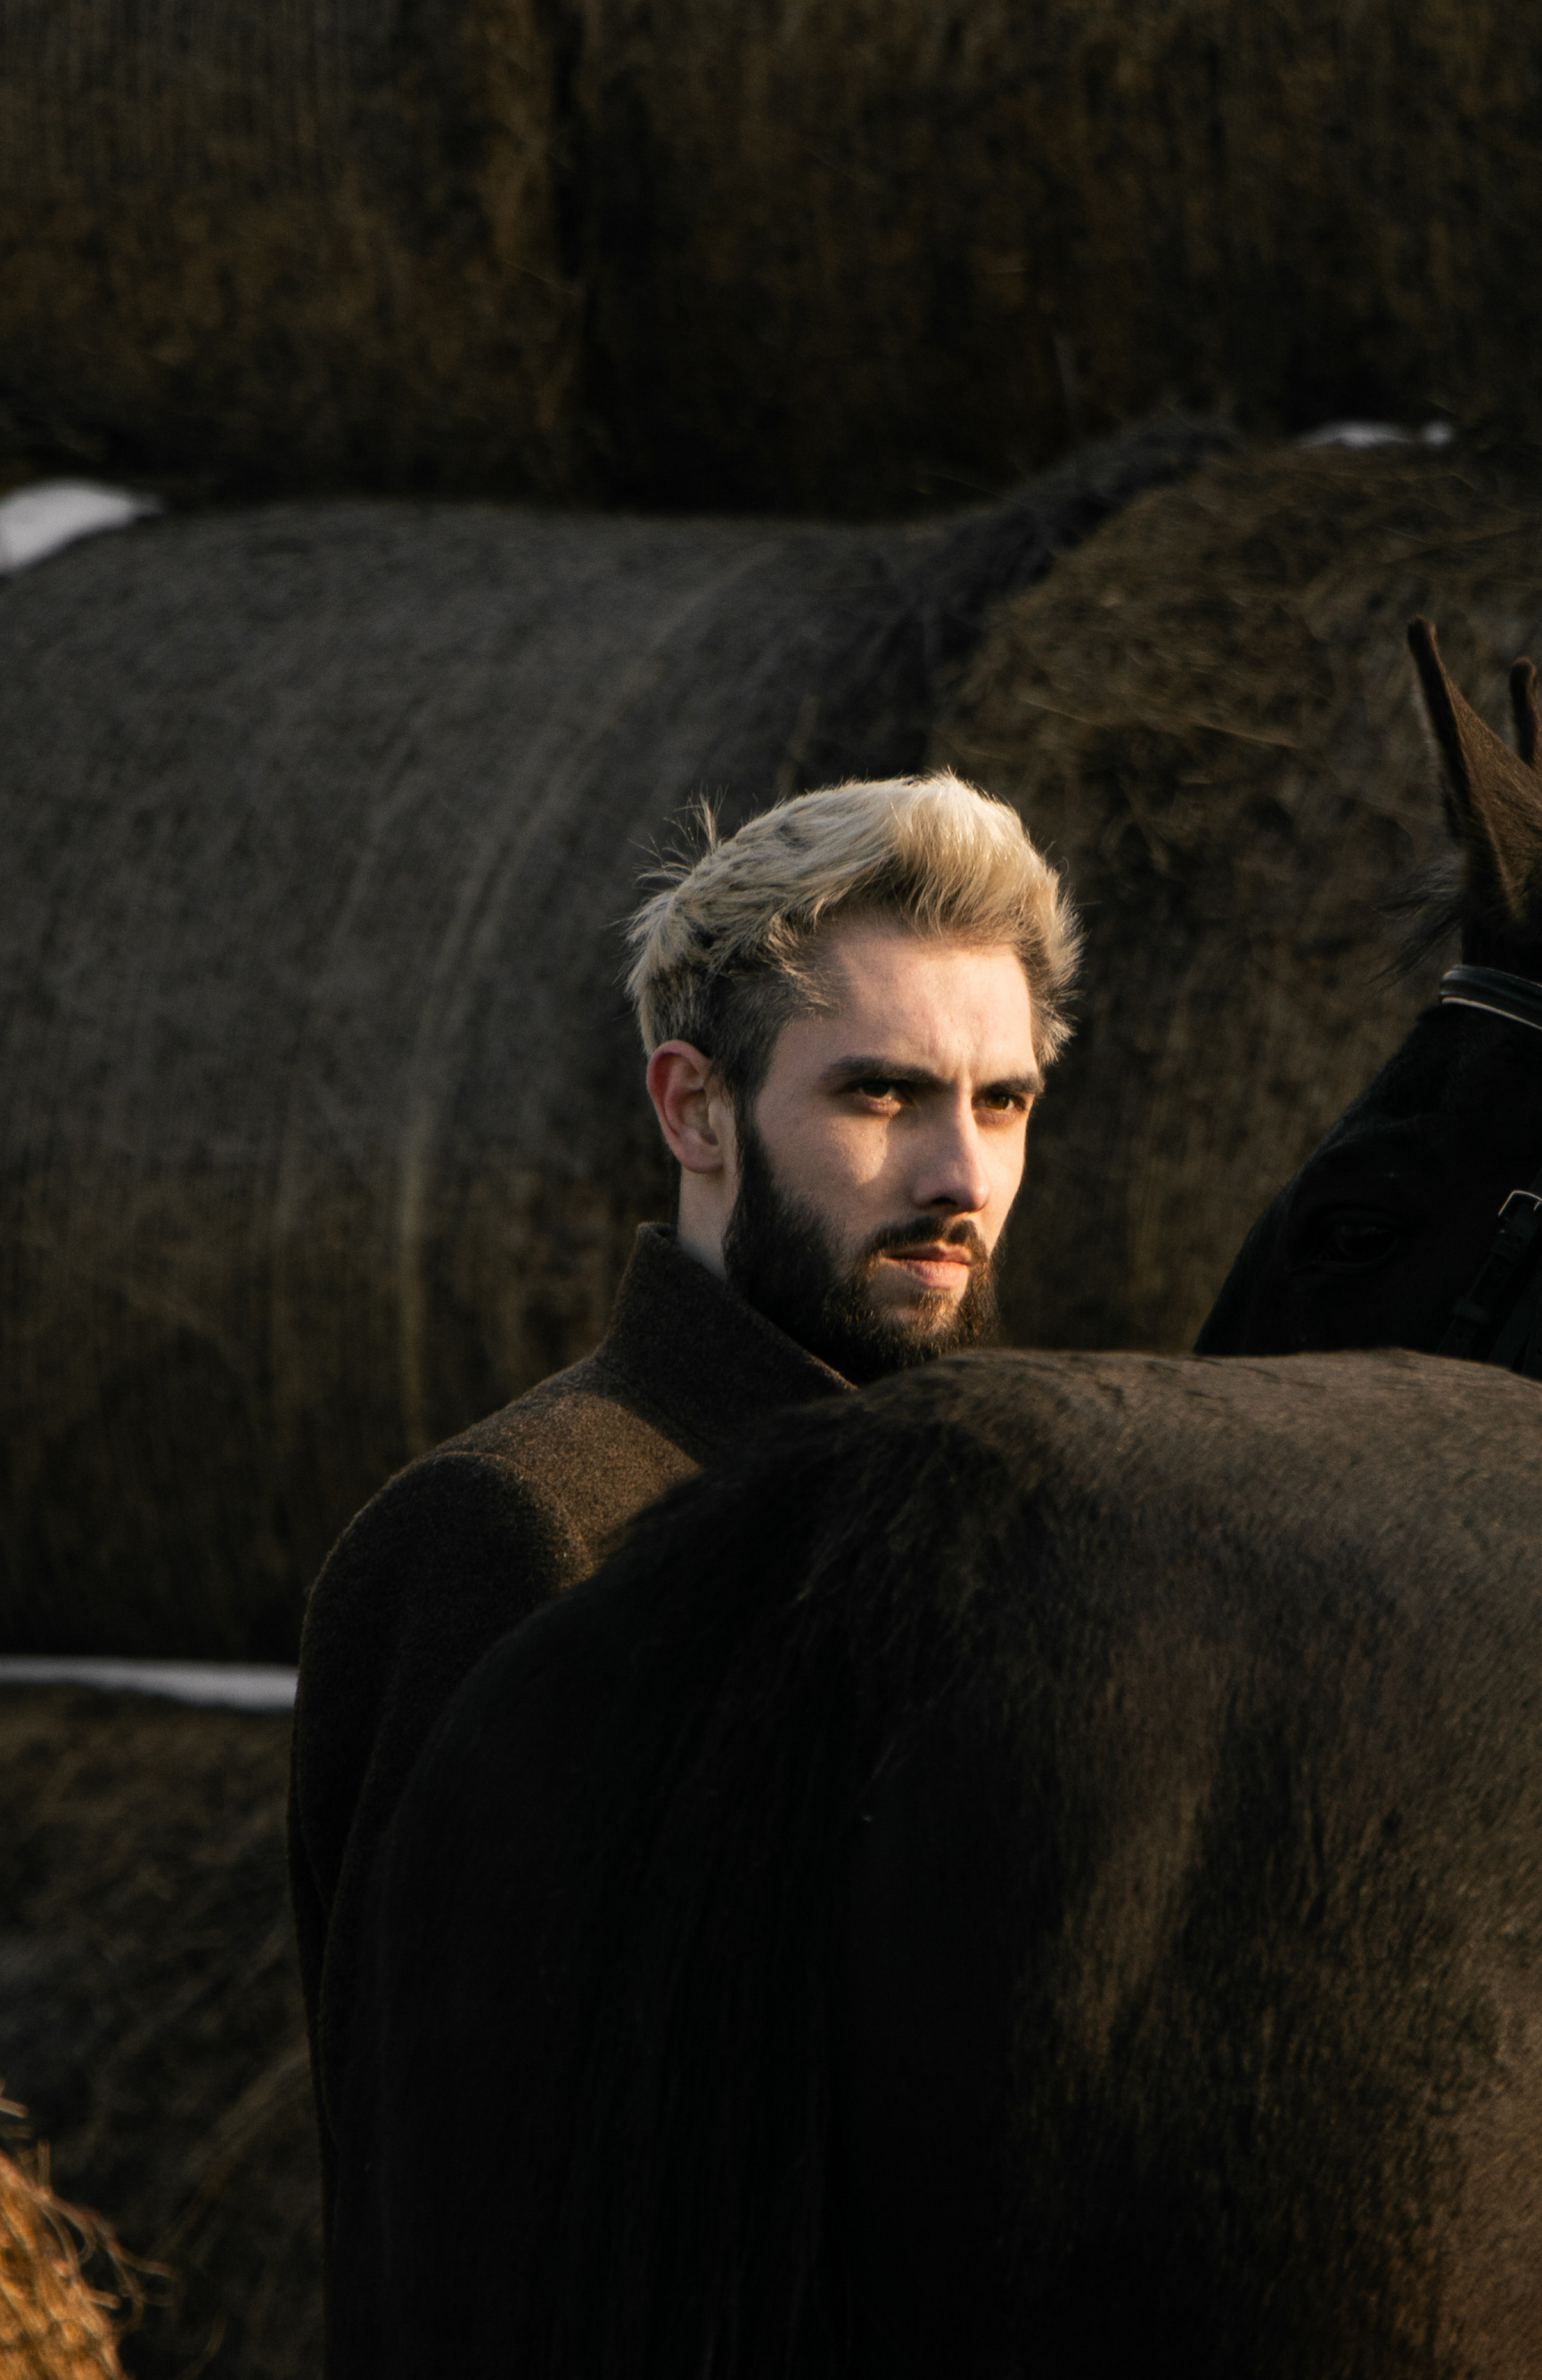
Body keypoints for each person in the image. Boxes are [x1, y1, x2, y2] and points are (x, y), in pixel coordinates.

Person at [288, 767, 1077, 2115]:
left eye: (999, 1103)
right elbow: (458, 2174)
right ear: (694, 1109)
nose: (961, 1178)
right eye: (883, 1097)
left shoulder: (1037, 1533)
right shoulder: (517, 1531)